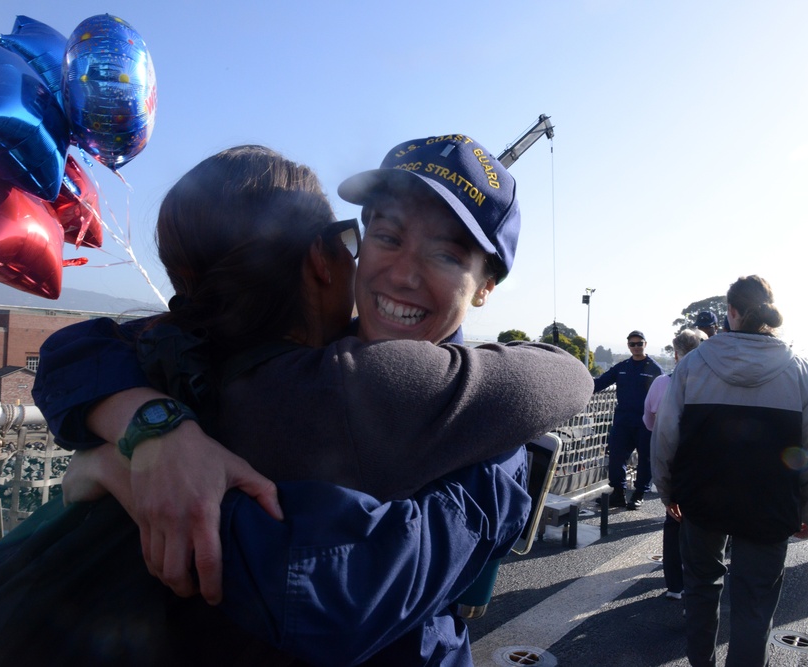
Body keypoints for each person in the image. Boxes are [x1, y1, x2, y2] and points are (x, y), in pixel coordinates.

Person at [31, 139, 594, 663]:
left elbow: (75, 348)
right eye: (387, 237)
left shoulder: (486, 432)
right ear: (349, 242)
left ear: (485, 285)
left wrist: (125, 453)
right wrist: (152, 431)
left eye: (446, 256)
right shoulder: (315, 363)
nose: (402, 274)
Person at [651, 275, 808, 667]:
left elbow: (665, 437)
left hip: (701, 498)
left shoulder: (693, 365)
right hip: (771, 503)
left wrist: (668, 493)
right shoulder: (802, 372)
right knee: (755, 602)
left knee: (700, 588)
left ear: (730, 312)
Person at [643, 328, 707, 600]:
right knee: (703, 523)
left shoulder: (661, 383)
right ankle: (698, 581)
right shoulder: (710, 381)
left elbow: (648, 419)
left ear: (676, 353)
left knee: (673, 519)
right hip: (703, 460)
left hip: (671, 457)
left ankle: (674, 584)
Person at [594, 330, 663, 509]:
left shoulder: (654, 368)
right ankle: (618, 493)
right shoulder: (622, 366)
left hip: (645, 422)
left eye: (639, 343)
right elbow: (600, 383)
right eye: (632, 344)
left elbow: (664, 393)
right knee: (616, 457)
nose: (636, 347)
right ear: (628, 346)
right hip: (623, 421)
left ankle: (639, 494)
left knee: (645, 459)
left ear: (645, 344)